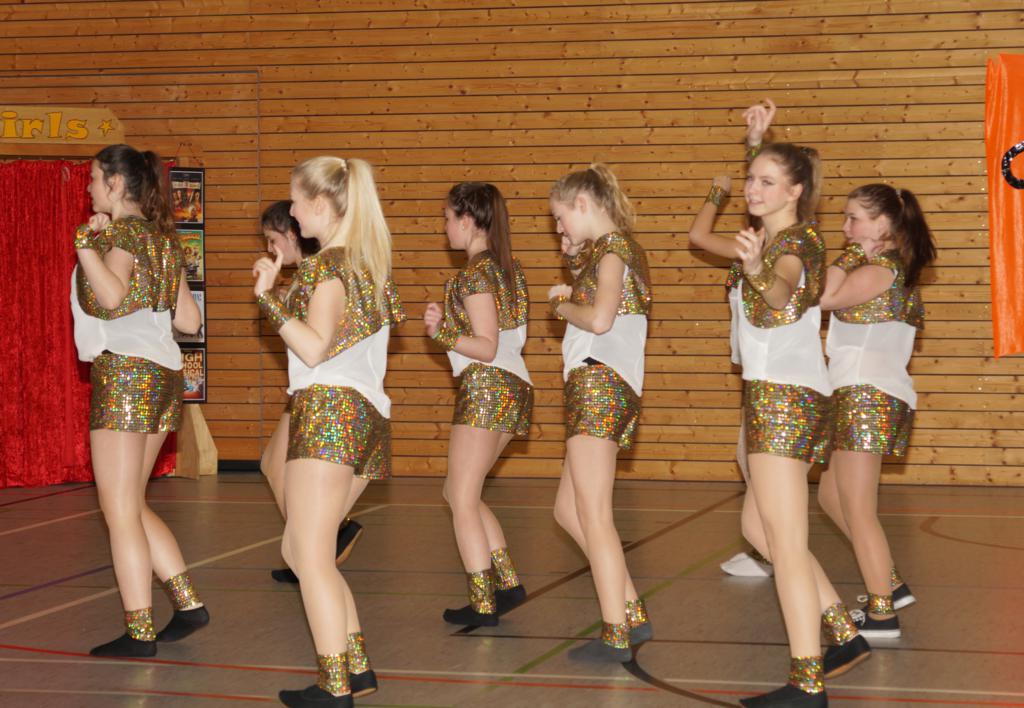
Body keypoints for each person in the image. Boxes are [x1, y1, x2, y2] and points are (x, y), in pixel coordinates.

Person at [687, 101, 868, 706]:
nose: (752, 189)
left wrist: (757, 266)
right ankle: (841, 630)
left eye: (766, 182)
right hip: (779, 394)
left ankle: (807, 681)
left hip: (784, 400)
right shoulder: (779, 234)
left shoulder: (796, 241)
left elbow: (781, 291)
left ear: (795, 191)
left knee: (786, 546)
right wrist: (755, 140)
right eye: (750, 179)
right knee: (756, 528)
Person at [254, 157, 405, 707]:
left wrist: (268, 298)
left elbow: (315, 348)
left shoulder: (325, 268)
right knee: (302, 549)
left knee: (310, 555)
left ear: (320, 204)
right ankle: (355, 665)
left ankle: (334, 684)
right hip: (366, 417)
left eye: (296, 202)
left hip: (328, 413)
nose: (292, 214)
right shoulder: (368, 265)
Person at [71, 144, 207, 658]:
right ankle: (187, 603)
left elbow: (109, 298)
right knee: (131, 503)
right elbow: (189, 321)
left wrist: (85, 246)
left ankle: (139, 629)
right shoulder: (161, 239)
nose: (88, 188)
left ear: (115, 183)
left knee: (119, 512)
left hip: (127, 374)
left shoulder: (122, 235)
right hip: (163, 374)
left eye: (93, 178)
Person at [816, 183, 936, 638]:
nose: (845, 227)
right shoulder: (888, 267)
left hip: (865, 395)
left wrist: (849, 256)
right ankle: (890, 583)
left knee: (859, 508)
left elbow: (825, 297)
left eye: (854, 219)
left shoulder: (880, 269)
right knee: (831, 497)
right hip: (859, 391)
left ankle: (883, 612)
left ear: (882, 225)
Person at [548, 164, 653, 663]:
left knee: (594, 515)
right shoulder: (617, 251)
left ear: (583, 204)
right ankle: (630, 609)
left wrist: (561, 304)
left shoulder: (613, 251)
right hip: (603, 382)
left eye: (561, 217)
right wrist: (574, 259)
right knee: (568, 511)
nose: (559, 227)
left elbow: (599, 319)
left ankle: (615, 631)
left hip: (599, 383)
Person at [424, 182, 532, 627]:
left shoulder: (474, 273)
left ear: (467, 221)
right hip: (513, 385)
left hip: (488, 386)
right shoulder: (507, 268)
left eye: (448, 218)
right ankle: (506, 581)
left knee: (463, 497)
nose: (445, 226)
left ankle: (482, 600)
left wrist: (442, 333)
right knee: (458, 491)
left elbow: (486, 347)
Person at [256, 201, 365, 586]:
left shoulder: (320, 274)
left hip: (329, 396)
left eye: (272, 240)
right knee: (272, 464)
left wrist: (269, 297)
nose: (270, 249)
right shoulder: (309, 275)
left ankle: (316, 542)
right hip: (312, 390)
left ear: (291, 234)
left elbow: (313, 345)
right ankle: (317, 540)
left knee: (281, 471)